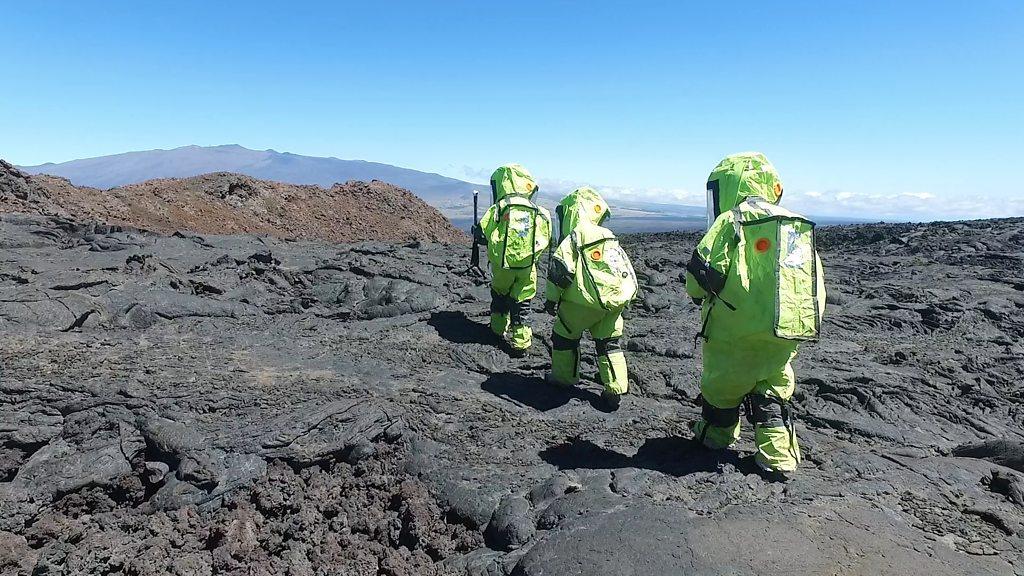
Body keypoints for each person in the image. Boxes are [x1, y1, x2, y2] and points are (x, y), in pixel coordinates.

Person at [685, 152, 826, 476]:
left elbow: (701, 274)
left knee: (722, 388)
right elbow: (812, 279)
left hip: (733, 334)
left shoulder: (730, 222)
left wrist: (698, 293)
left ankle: (715, 437)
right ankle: (779, 459)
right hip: (783, 333)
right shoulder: (793, 224)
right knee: (773, 389)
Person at [544, 187, 638, 410]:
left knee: (564, 337)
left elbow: (560, 270)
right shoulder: (608, 236)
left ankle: (564, 378)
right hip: (610, 303)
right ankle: (615, 387)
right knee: (609, 344)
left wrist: (551, 299)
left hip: (580, 302)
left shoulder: (577, 235)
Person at [473, 164, 552, 354]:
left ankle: (497, 330)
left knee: (500, 297)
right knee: (522, 304)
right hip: (527, 267)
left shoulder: (499, 208)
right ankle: (521, 344)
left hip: (503, 266)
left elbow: (483, 234)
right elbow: (545, 237)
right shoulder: (538, 211)